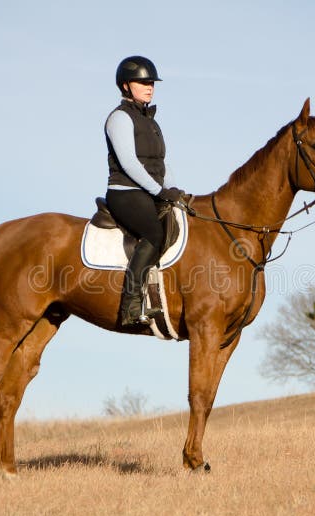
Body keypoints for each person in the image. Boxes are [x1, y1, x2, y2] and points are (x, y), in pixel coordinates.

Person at [104, 55, 188, 326]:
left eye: (151, 82)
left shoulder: (151, 122)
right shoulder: (119, 118)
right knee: (154, 232)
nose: (150, 86)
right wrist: (160, 191)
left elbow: (160, 164)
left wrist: (175, 191)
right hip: (125, 192)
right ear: (126, 86)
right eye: (143, 82)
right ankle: (130, 306)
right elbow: (129, 163)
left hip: (149, 191)